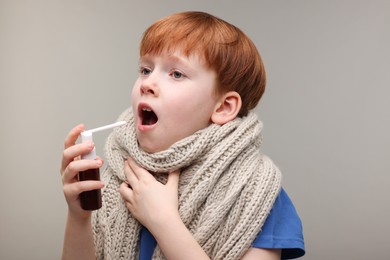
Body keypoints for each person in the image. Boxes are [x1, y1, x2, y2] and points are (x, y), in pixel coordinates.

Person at [60, 11, 305, 260]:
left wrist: (164, 222)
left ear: (223, 107)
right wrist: (79, 217)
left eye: (176, 74)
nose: (147, 83)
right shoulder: (115, 177)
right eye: (145, 70)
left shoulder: (256, 194)